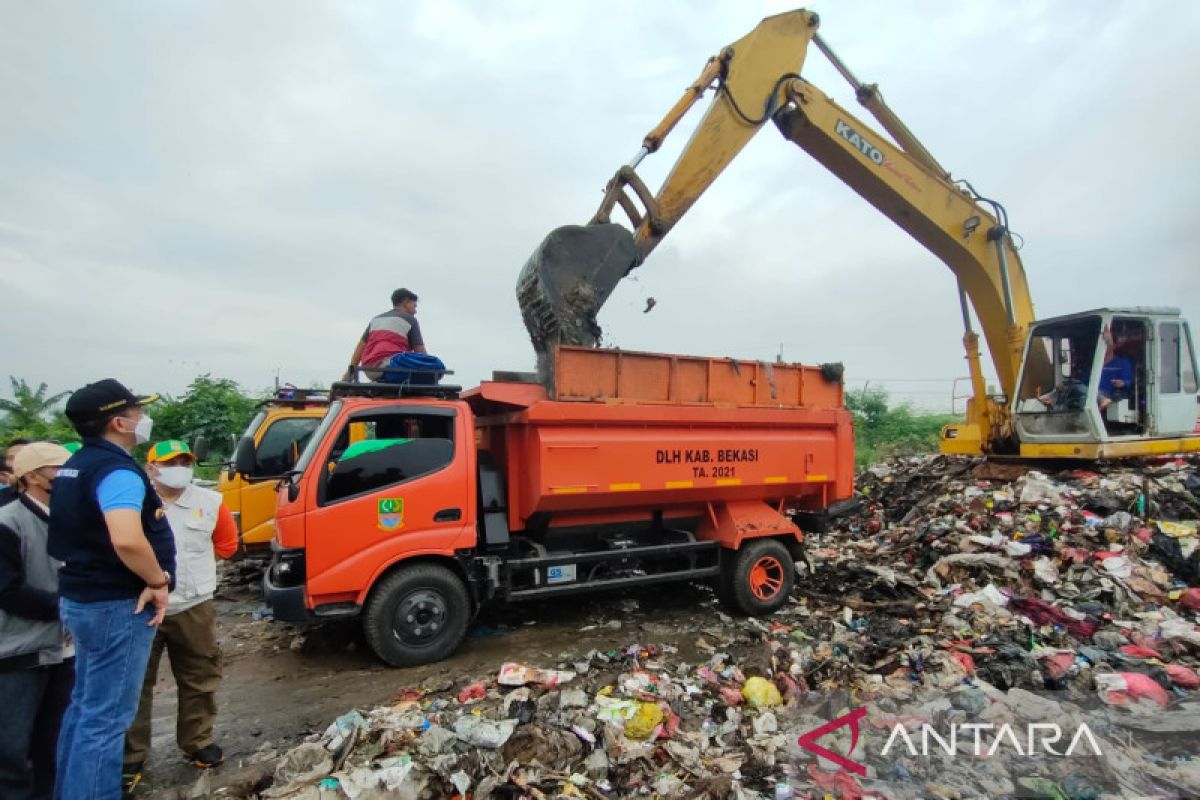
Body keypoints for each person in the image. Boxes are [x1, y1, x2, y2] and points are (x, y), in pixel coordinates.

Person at [47, 379, 175, 800]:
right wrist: (157, 581)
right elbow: (126, 537)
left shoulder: (76, 464)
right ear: (119, 422)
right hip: (115, 604)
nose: (143, 420)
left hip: (84, 598)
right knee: (106, 720)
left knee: (84, 708)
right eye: (138, 413)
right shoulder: (116, 470)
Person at [122, 441, 237, 790]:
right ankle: (130, 758)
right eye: (171, 462)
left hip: (193, 606)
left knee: (200, 676)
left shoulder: (211, 502)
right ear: (152, 467)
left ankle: (197, 742)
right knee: (135, 683)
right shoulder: (132, 502)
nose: (180, 467)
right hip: (140, 607)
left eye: (185, 461)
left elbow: (227, 546)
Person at [0, 442, 74, 800]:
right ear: (31, 476)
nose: (68, 475)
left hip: (62, 648)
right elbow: (7, 590)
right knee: (12, 748)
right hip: (19, 651)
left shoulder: (67, 518)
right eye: (59, 469)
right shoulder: (7, 522)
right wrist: (69, 606)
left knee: (53, 740)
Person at [344, 288, 427, 381]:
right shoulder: (411, 320)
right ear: (406, 302)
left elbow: (361, 346)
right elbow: (421, 353)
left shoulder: (376, 319)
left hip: (369, 370)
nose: (415, 311)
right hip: (392, 367)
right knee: (434, 364)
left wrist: (350, 372)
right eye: (414, 306)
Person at [2, 439, 32, 507]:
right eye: (9, 458)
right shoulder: (2, 495)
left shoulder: (53, 495)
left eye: (19, 457)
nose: (10, 464)